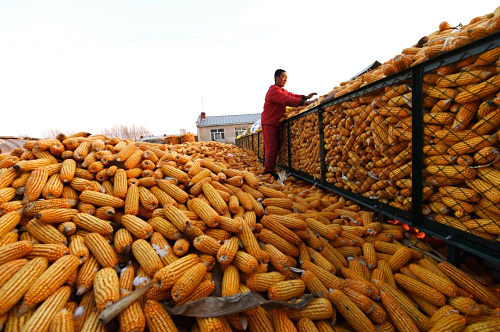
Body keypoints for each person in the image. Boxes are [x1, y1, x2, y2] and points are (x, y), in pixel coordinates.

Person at [261, 69, 317, 180]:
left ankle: (269, 168)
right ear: (276, 77)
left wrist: (305, 97)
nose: (285, 79)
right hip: (269, 122)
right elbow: (287, 99)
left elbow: (291, 95)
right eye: (283, 76)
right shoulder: (273, 90)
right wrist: (305, 103)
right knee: (272, 146)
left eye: (286, 77)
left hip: (274, 122)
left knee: (274, 146)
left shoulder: (281, 90)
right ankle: (268, 171)